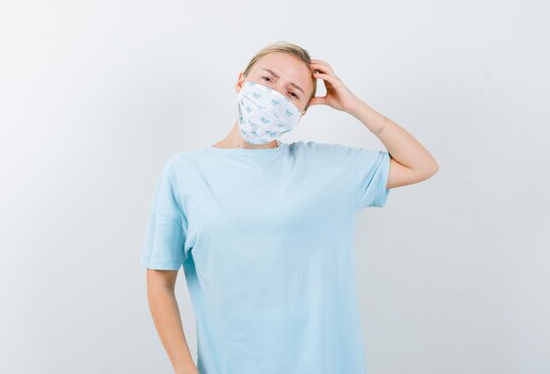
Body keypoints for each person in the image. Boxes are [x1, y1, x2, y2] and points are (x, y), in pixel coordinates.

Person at [140, 41, 439, 374]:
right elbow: (160, 279)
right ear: (241, 81)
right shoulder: (184, 173)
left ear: (301, 113)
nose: (276, 95)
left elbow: (421, 166)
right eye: (268, 80)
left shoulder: (325, 168)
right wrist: (184, 368)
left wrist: (354, 106)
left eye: (293, 93)